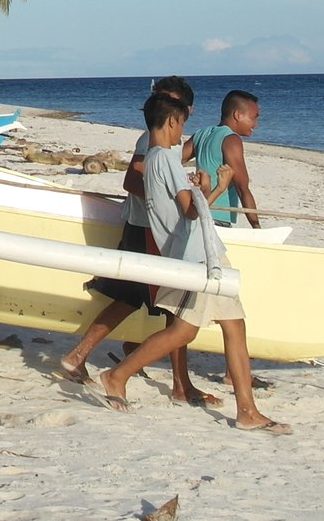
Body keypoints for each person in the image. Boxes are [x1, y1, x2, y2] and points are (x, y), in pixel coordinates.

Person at [93, 91, 287, 432]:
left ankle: (247, 410)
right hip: (195, 254)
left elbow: (177, 207)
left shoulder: (153, 158)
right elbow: (191, 213)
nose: (183, 133)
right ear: (171, 121)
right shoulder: (165, 160)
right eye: (181, 124)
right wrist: (216, 186)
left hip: (201, 250)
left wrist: (201, 186)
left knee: (233, 324)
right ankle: (116, 375)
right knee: (183, 332)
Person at [55, 75, 212, 405]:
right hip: (147, 229)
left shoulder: (164, 143)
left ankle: (79, 355)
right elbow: (132, 179)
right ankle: (180, 385)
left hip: (144, 227)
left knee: (131, 298)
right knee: (173, 309)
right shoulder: (152, 139)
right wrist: (166, 202)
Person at [190, 90, 263, 228]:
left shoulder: (201, 134)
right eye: (254, 118)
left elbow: (175, 160)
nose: (256, 124)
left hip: (199, 213)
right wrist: (256, 227)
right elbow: (242, 188)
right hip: (216, 220)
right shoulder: (231, 139)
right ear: (237, 115)